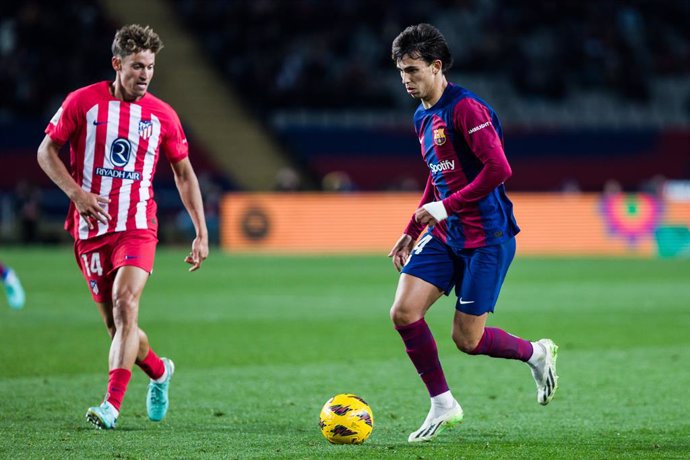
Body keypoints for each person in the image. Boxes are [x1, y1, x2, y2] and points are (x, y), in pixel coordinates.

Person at [387, 24, 558, 443]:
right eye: (401, 71)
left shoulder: (466, 109)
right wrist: (413, 227)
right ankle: (443, 403)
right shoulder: (421, 116)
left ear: (436, 66)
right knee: (404, 313)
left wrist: (443, 206)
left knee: (467, 338)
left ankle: (537, 353)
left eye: (413, 69)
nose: (406, 79)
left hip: (488, 236)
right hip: (447, 233)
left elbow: (499, 170)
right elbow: (436, 175)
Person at [37, 24, 208, 430]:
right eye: (136, 66)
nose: (145, 74)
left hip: (137, 227)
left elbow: (184, 174)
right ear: (117, 64)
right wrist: (77, 193)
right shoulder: (83, 102)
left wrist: (201, 231)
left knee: (126, 303)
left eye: (150, 66)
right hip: (90, 230)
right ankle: (160, 371)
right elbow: (47, 151)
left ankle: (111, 406)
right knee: (118, 328)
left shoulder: (163, 115)